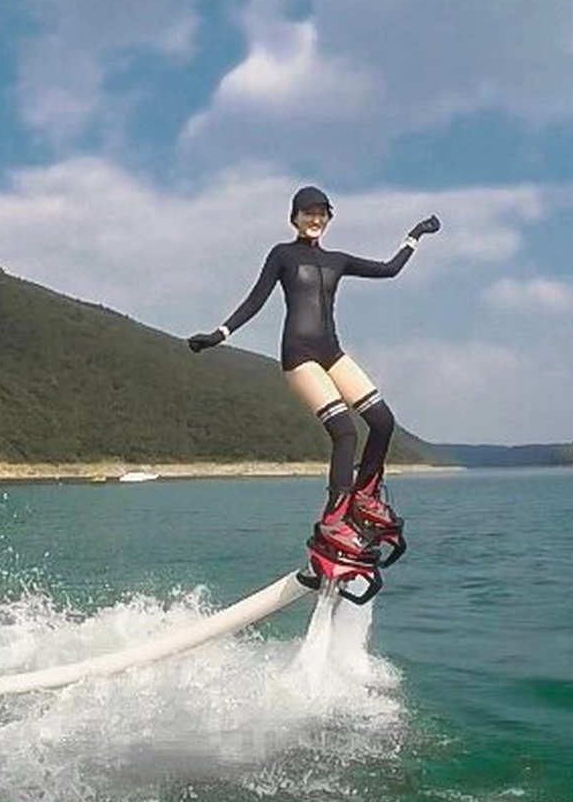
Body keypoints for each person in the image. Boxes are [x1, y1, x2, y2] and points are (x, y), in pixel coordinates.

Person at [188, 186, 440, 558]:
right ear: (295, 217)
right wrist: (219, 334)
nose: (316, 219)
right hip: (299, 354)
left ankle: (365, 497)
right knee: (344, 431)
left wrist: (415, 235)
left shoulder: (337, 260)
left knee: (383, 422)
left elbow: (389, 270)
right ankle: (334, 522)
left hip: (332, 351)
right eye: (308, 213)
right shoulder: (282, 255)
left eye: (322, 213)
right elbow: (255, 300)